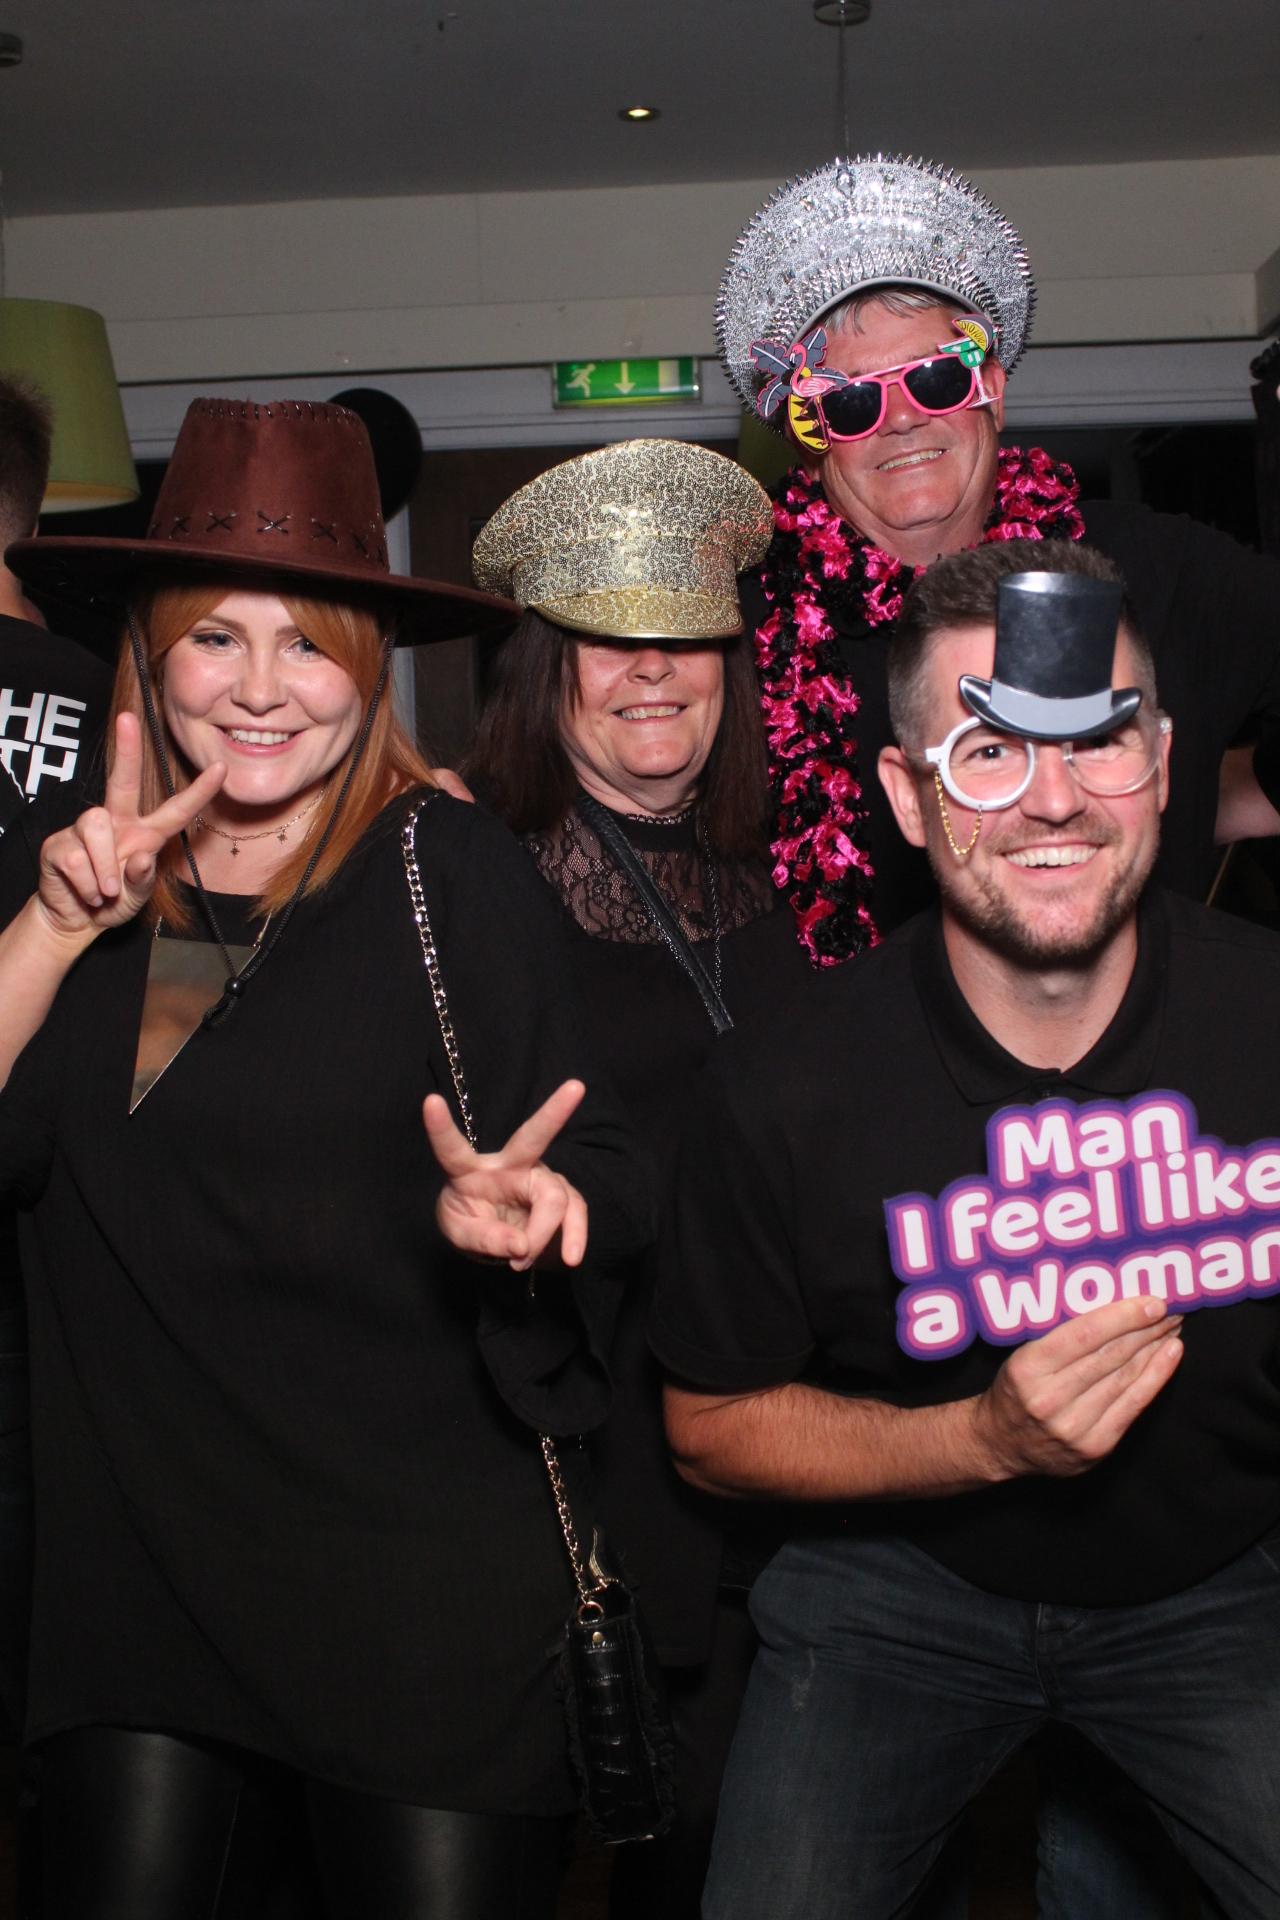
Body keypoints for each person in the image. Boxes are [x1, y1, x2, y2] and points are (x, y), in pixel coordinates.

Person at [0, 396, 653, 1920]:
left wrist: (542, 1209)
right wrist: (52, 925)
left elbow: (611, 1163)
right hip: (139, 1585)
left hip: (414, 1601)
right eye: (216, 638)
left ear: (368, 669)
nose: (259, 689)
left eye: (309, 643)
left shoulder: (449, 873)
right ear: (154, 655)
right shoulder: (88, 878)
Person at [654, 537, 1280, 1920]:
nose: (1052, 800)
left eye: (1099, 741)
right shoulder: (786, 1085)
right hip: (899, 1587)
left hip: (1216, 1582)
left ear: (1162, 764)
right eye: (988, 753)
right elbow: (707, 1424)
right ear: (905, 795)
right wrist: (982, 1441)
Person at [468, 438, 804, 1918]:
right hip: (587, 1457)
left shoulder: (801, 861)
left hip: (789, 1449)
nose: (653, 671)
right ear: (548, 670)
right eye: (609, 638)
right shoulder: (478, 876)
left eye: (686, 636)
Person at [717, 152, 1280, 962]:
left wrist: (1216, 791)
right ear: (813, 437)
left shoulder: (1155, 570)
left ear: (992, 388)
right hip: (834, 1040)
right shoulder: (738, 624)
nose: (900, 420)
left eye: (934, 380)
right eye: (852, 399)